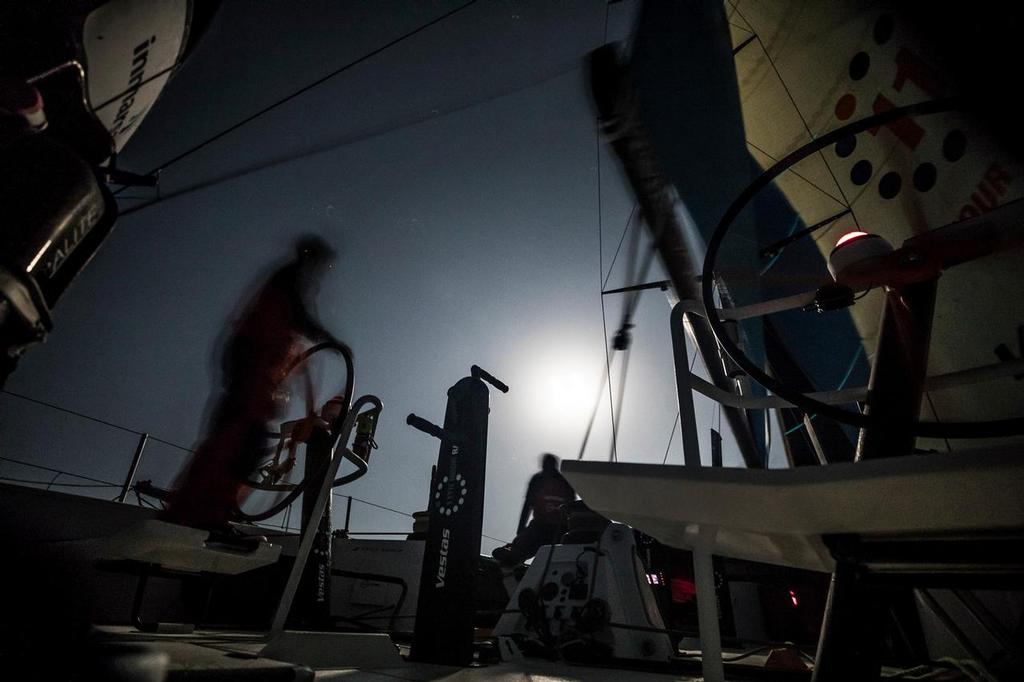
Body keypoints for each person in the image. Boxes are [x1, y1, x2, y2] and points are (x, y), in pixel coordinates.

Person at [164, 235, 346, 530]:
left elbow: (291, 331)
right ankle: (203, 516)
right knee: (242, 441)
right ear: (309, 257)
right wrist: (330, 340)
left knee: (240, 441)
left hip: (255, 369)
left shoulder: (284, 286)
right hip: (252, 365)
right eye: (321, 261)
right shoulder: (289, 279)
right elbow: (298, 317)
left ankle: (196, 511)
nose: (322, 269)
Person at [492, 453, 576, 566]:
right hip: (539, 525)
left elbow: (572, 507)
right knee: (524, 544)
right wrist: (521, 529)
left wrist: (571, 530)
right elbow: (528, 504)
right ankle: (513, 556)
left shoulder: (565, 483)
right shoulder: (537, 479)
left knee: (559, 553)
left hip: (560, 528)